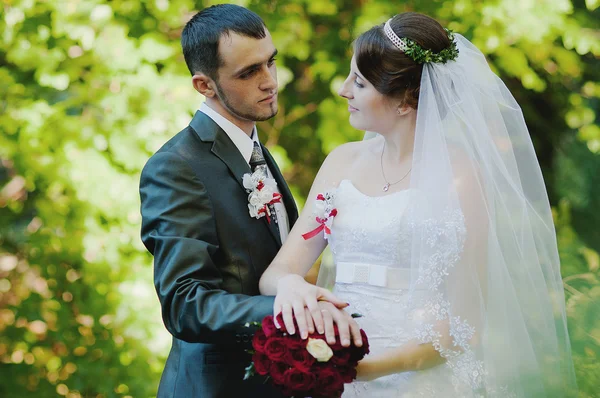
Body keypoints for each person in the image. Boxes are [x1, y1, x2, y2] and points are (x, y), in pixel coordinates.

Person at [260, 12, 577, 397]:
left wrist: (361, 368)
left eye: (359, 82)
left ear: (405, 100)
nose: (343, 90)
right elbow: (275, 274)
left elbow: (464, 325)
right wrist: (294, 288)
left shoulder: (462, 178)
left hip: (416, 379)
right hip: (331, 367)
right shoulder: (340, 163)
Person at [139, 4, 353, 397]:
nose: (270, 81)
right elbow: (185, 303)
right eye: (249, 72)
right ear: (205, 85)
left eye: (270, 62)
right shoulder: (176, 167)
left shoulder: (255, 150)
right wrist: (289, 307)